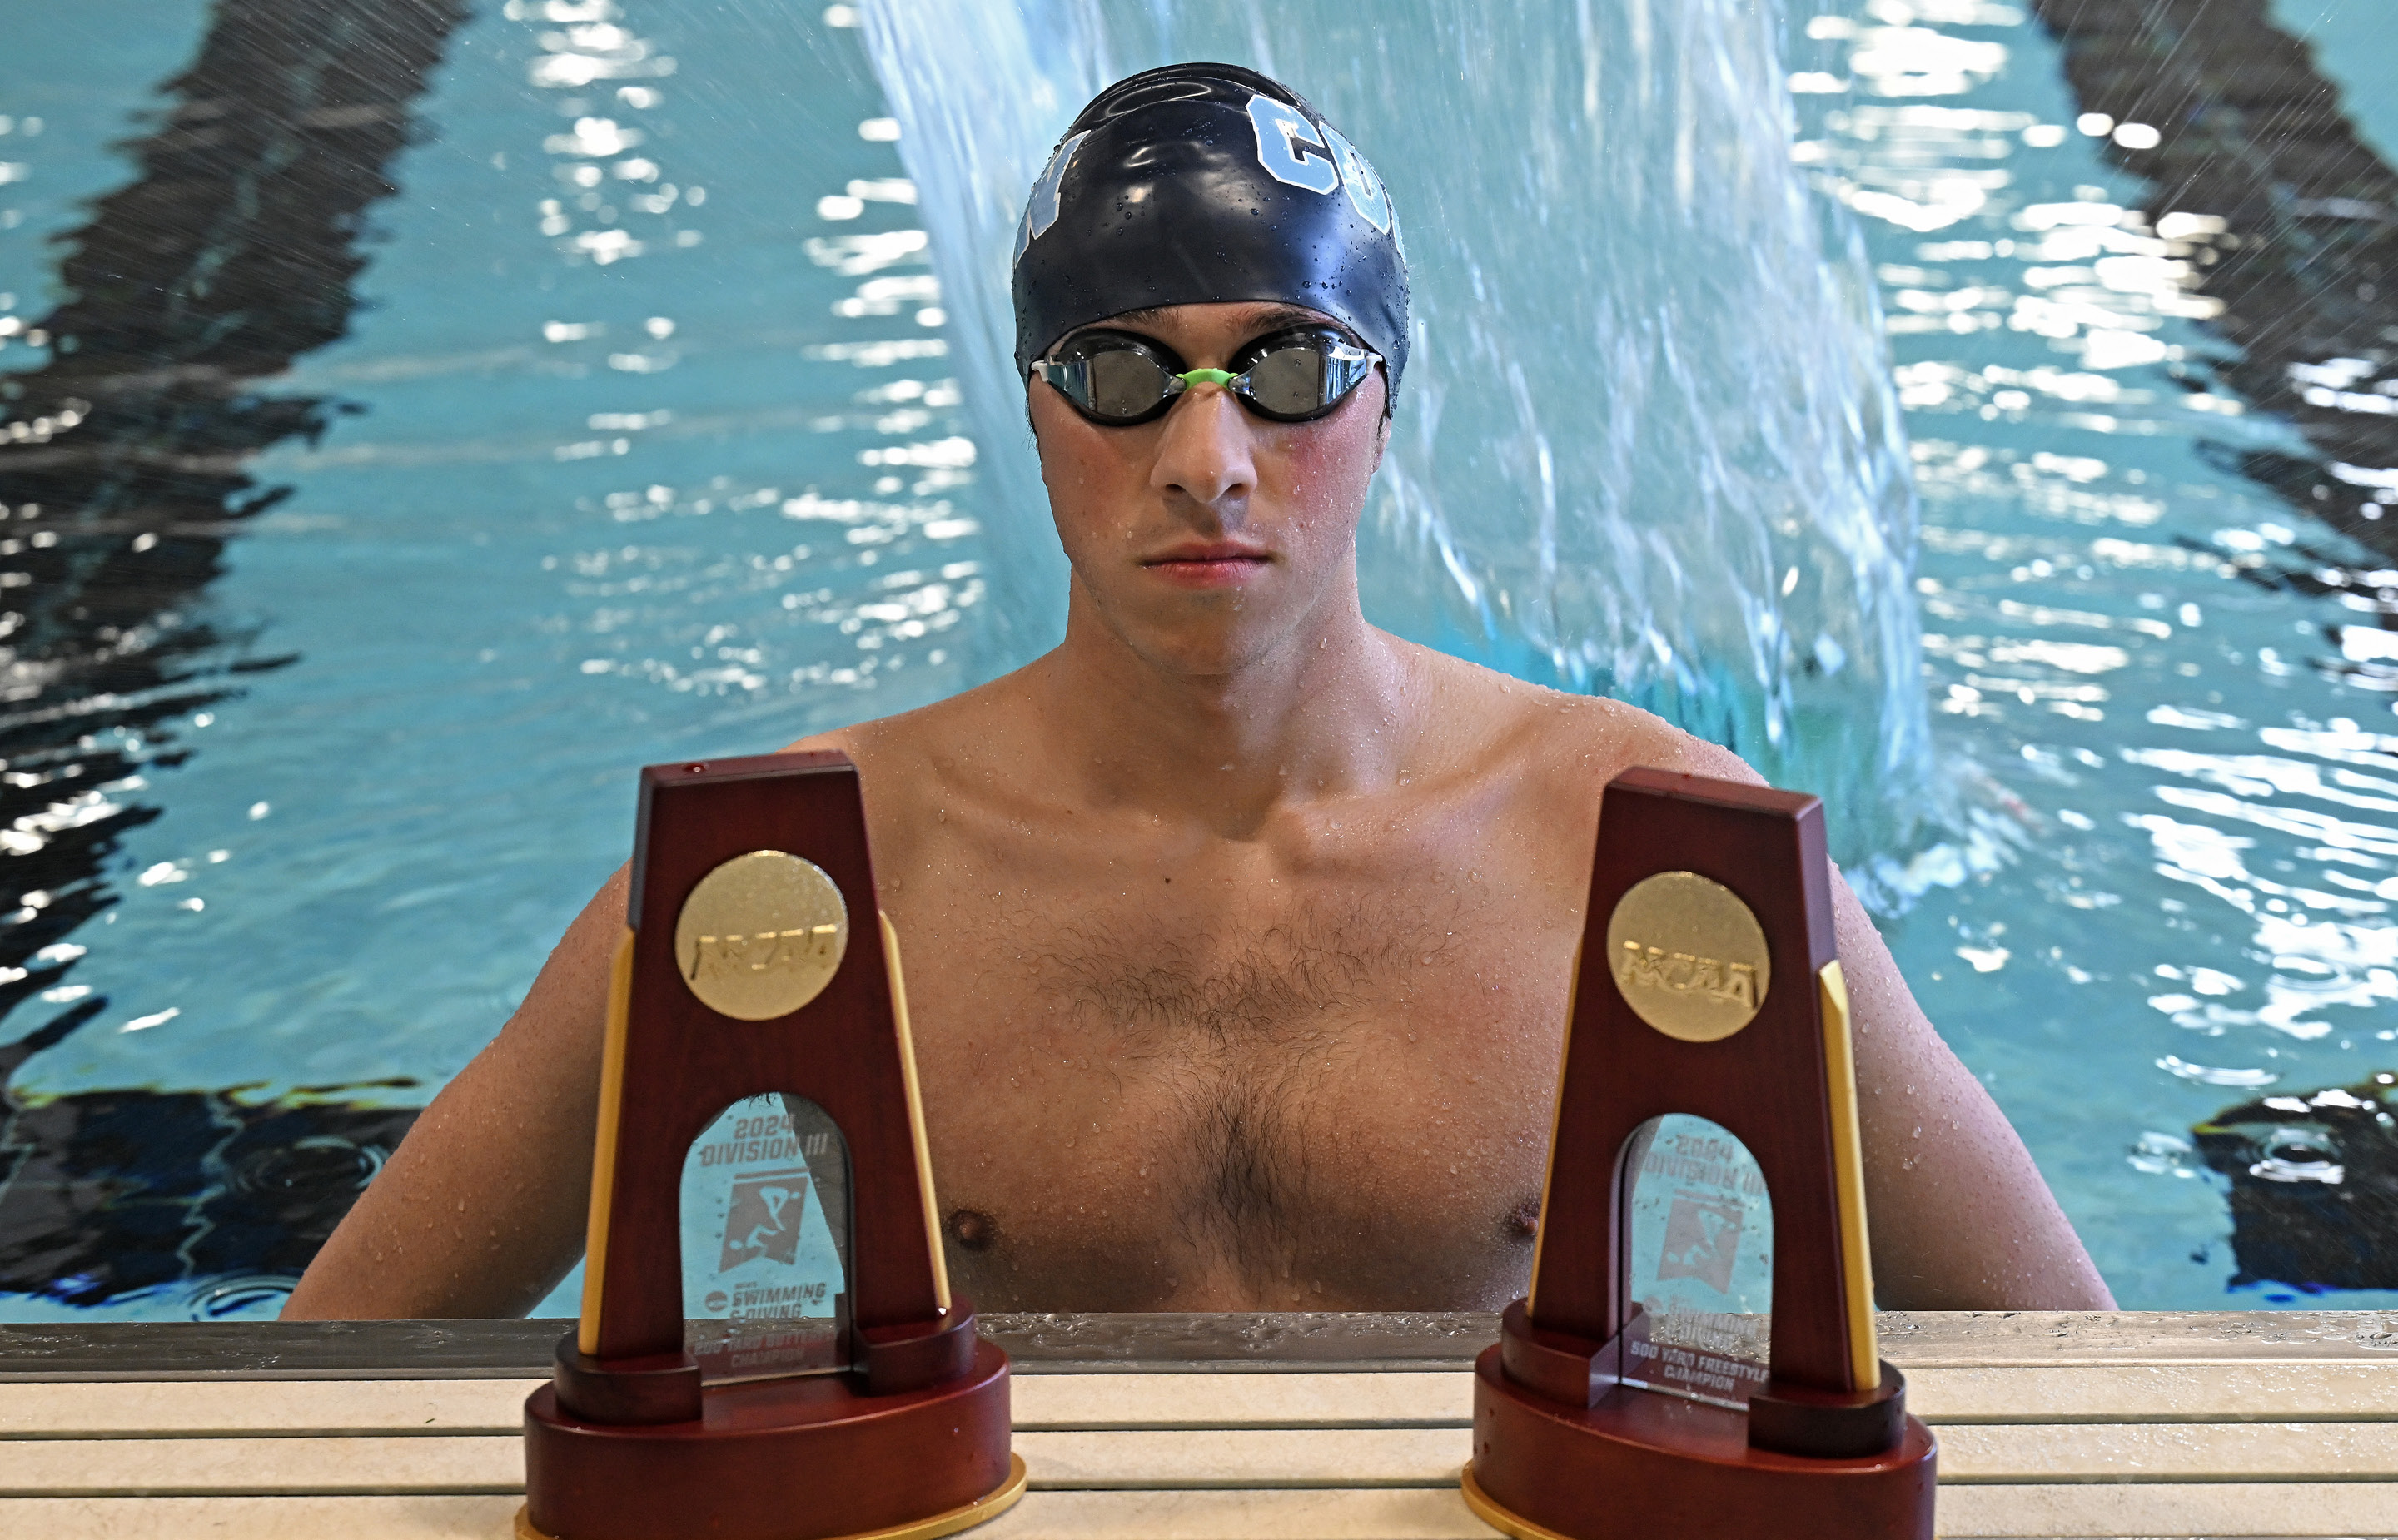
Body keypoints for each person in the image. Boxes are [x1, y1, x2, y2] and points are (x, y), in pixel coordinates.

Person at [286, 64, 2112, 1319]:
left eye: (1293, 368)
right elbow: (327, 1357)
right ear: (1032, 405)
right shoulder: (804, 872)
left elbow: (2070, 1357)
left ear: (1393, 398)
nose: (1211, 456)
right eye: (1123, 371)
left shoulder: (1645, 849)